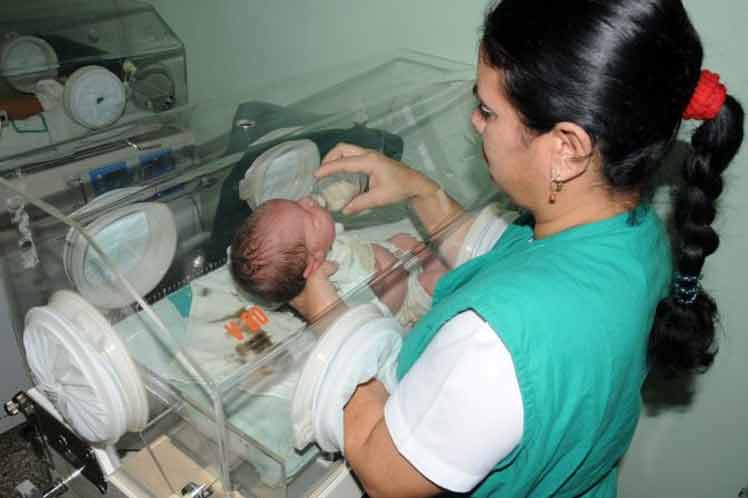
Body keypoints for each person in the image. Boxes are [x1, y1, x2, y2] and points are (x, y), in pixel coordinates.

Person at [287, 1, 745, 497]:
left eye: (488, 110)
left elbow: (384, 474)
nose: (475, 121)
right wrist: (419, 190)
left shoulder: (491, 345)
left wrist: (325, 308)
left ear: (567, 148)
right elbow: (510, 254)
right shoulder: (638, 235)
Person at [229, 196, 447, 326]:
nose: (308, 200)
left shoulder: (320, 245)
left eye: (298, 203)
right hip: (405, 296)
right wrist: (389, 266)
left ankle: (431, 256)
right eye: (310, 215)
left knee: (403, 239)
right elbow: (384, 305)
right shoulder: (338, 283)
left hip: (390, 255)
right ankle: (439, 266)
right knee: (435, 282)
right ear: (314, 263)